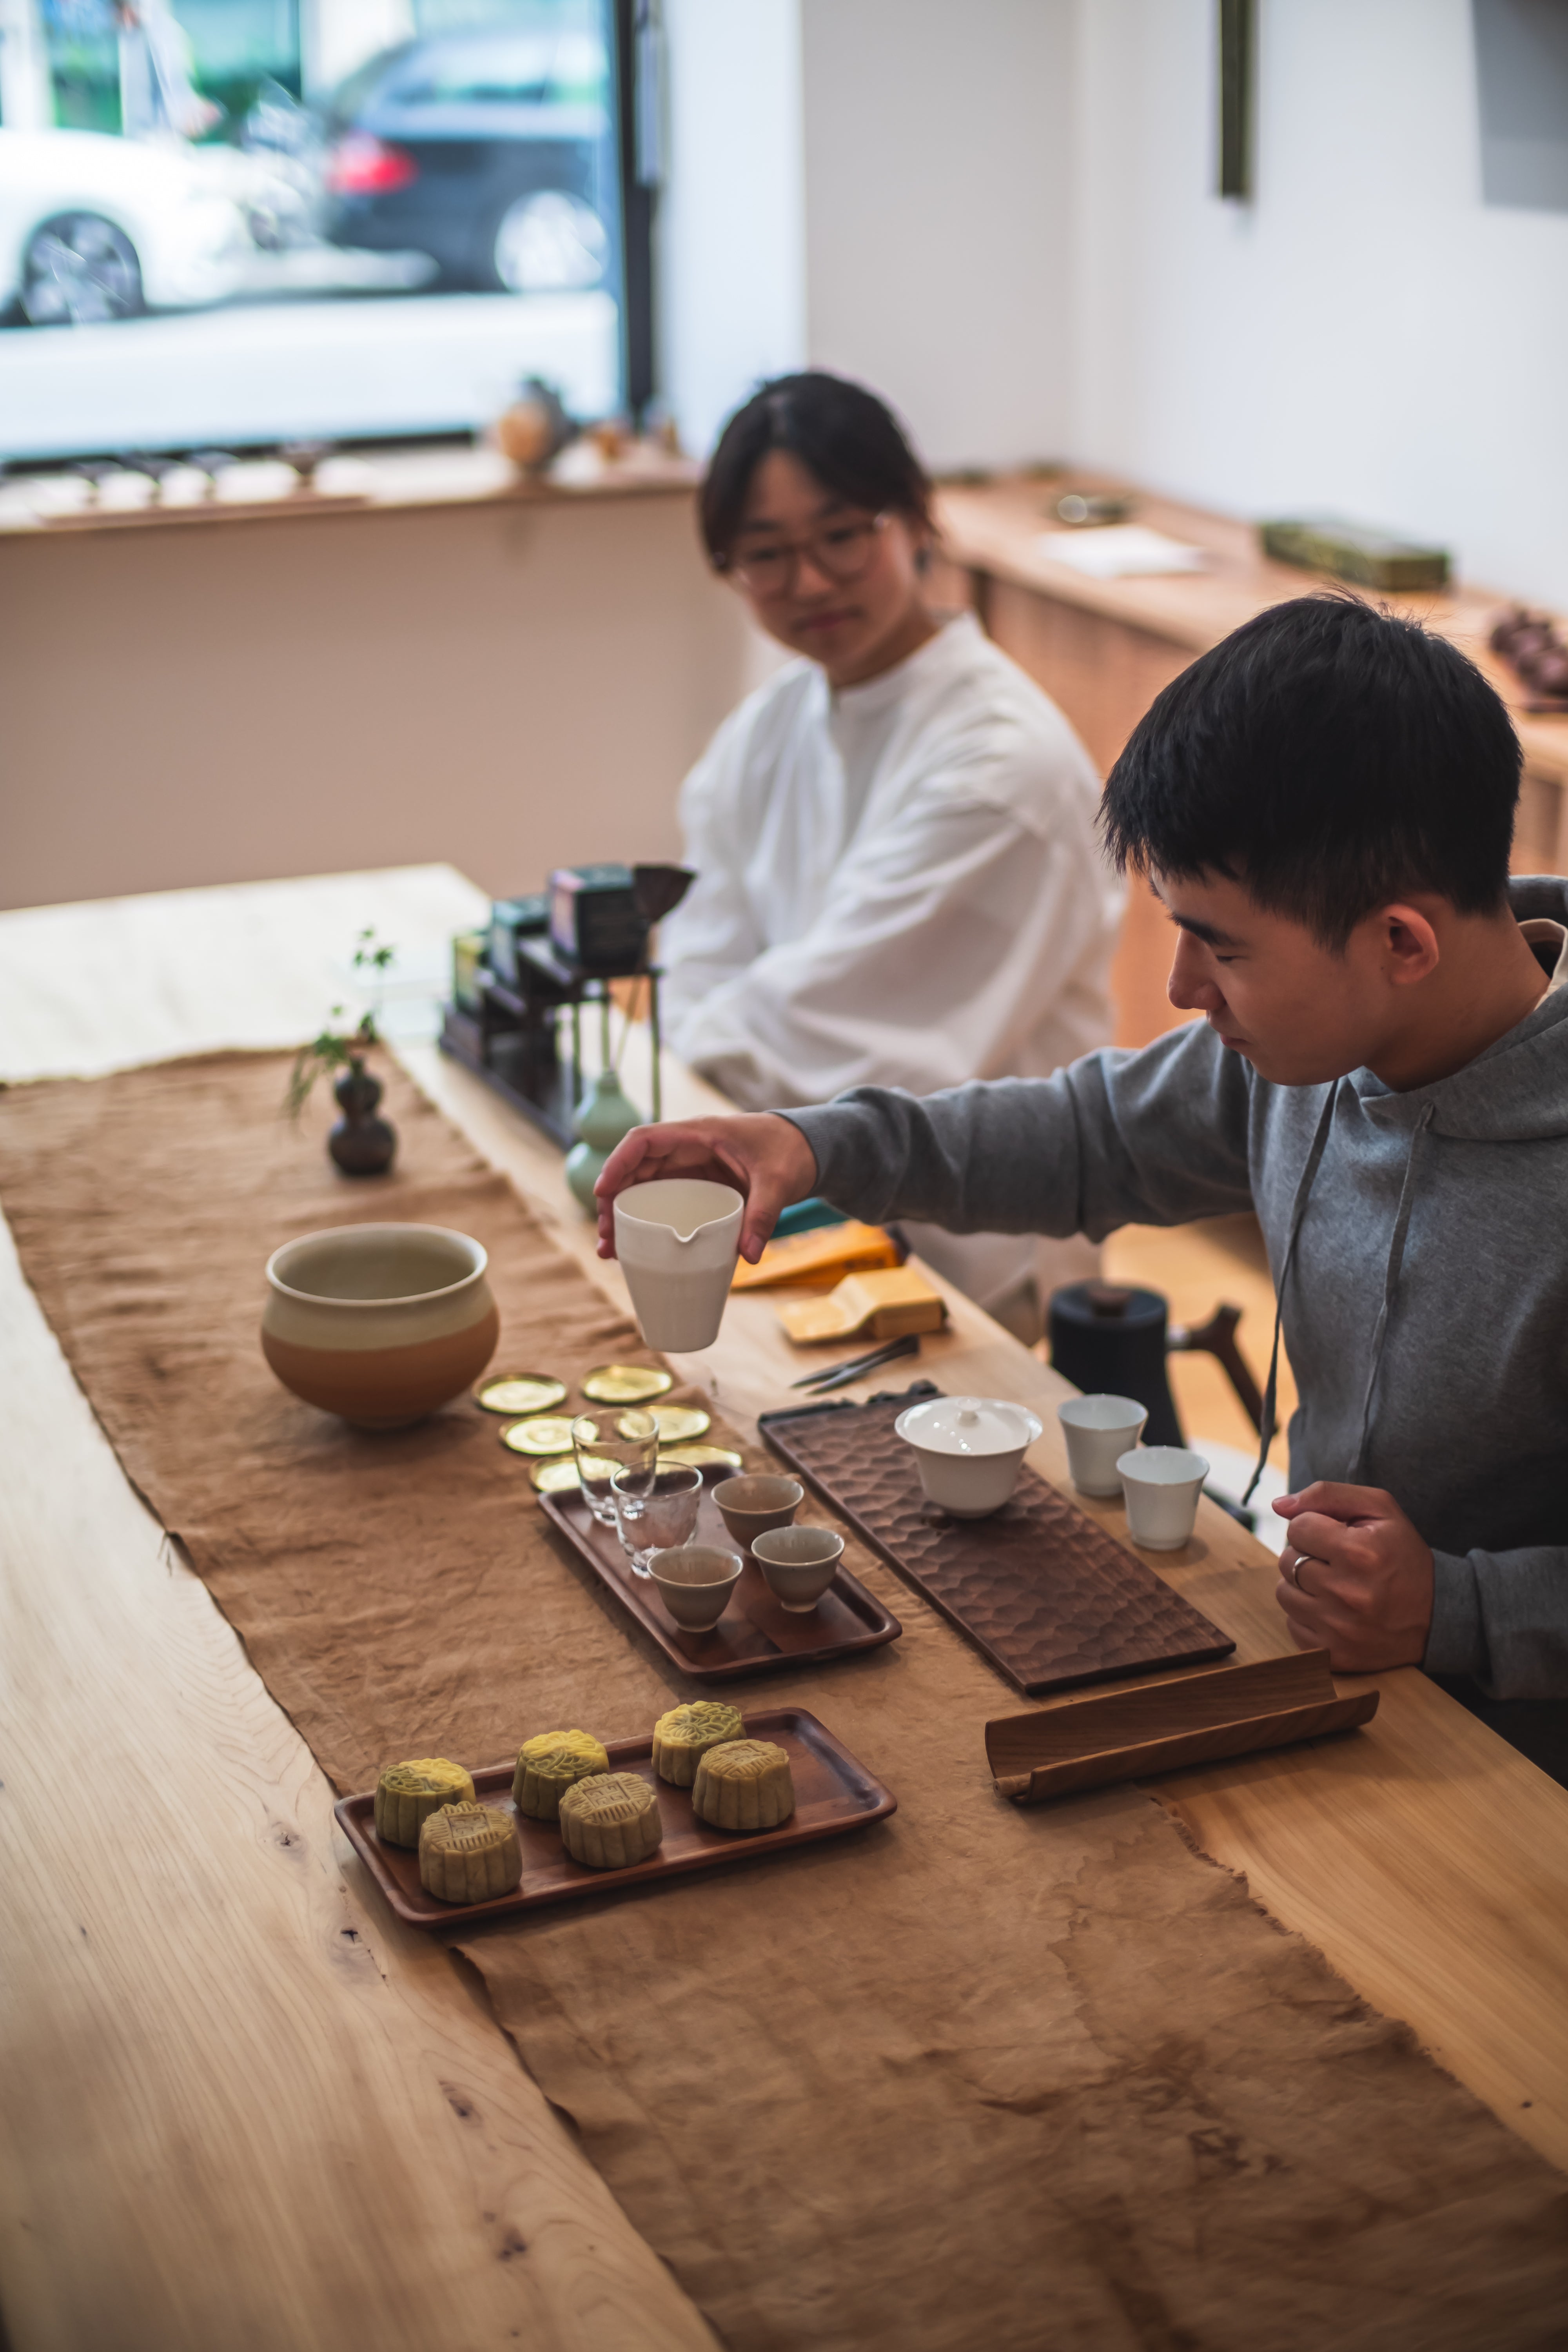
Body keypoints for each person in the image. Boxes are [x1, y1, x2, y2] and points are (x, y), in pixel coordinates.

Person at [600, 596, 1568, 1764]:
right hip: (1347, 1679)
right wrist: (815, 1146)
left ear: (1402, 944)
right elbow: (1085, 1136)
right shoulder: (1313, 1052)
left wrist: (1465, 1609)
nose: (1180, 987)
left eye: (1223, 945)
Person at [656, 370, 1123, 1339]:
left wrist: (671, 1097)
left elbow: (840, 1030)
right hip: (799, 1190)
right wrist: (677, 1079)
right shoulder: (778, 720)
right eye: (766, 554)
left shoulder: (998, 767)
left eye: (839, 535)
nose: (810, 582)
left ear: (912, 518)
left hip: (972, 1259)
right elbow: (701, 944)